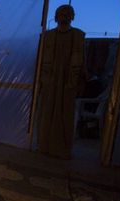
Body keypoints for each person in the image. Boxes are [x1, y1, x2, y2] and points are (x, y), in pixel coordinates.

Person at [37, 4, 87, 159]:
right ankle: (44, 146)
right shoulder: (48, 36)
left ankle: (62, 149)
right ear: (57, 16)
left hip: (68, 82)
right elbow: (40, 59)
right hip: (50, 80)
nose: (64, 16)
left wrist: (80, 81)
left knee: (65, 114)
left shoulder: (78, 36)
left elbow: (82, 60)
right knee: (47, 112)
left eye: (67, 14)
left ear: (71, 16)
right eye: (61, 14)